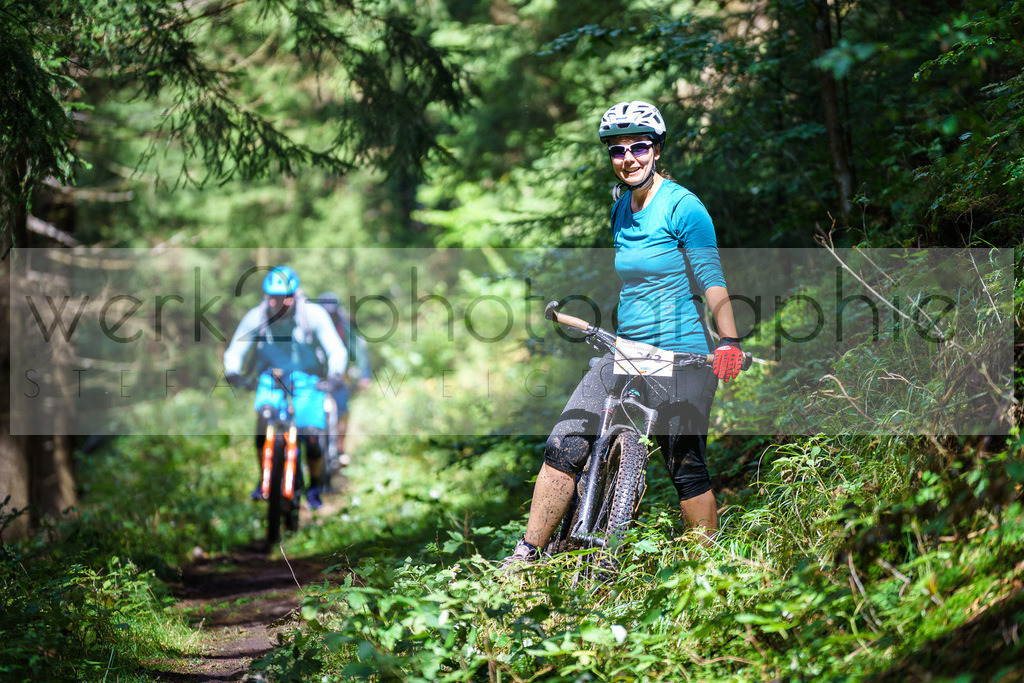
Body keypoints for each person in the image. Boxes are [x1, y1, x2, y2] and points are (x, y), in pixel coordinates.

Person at [502, 100, 744, 567]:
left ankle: (706, 574)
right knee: (567, 442)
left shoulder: (683, 207)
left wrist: (729, 341)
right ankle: (525, 558)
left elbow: (712, 279)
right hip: (626, 348)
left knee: (685, 464)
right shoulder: (620, 209)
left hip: (681, 354)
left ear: (656, 150)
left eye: (639, 146)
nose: (629, 157)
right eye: (618, 150)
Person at [223, 266, 348, 511]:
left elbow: (336, 349)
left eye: (284, 297)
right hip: (271, 379)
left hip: (308, 381)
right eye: (273, 297)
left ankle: (314, 487)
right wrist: (232, 371)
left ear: (295, 296)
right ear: (267, 296)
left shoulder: (313, 315)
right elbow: (236, 350)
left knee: (311, 436)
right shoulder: (256, 316)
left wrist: (335, 374)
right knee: (263, 421)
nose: (278, 303)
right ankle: (264, 480)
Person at [315, 292, 372, 466]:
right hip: (317, 373)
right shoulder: (311, 323)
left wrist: (364, 376)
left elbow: (359, 349)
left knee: (342, 410)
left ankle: (340, 450)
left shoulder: (344, 326)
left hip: (340, 374)